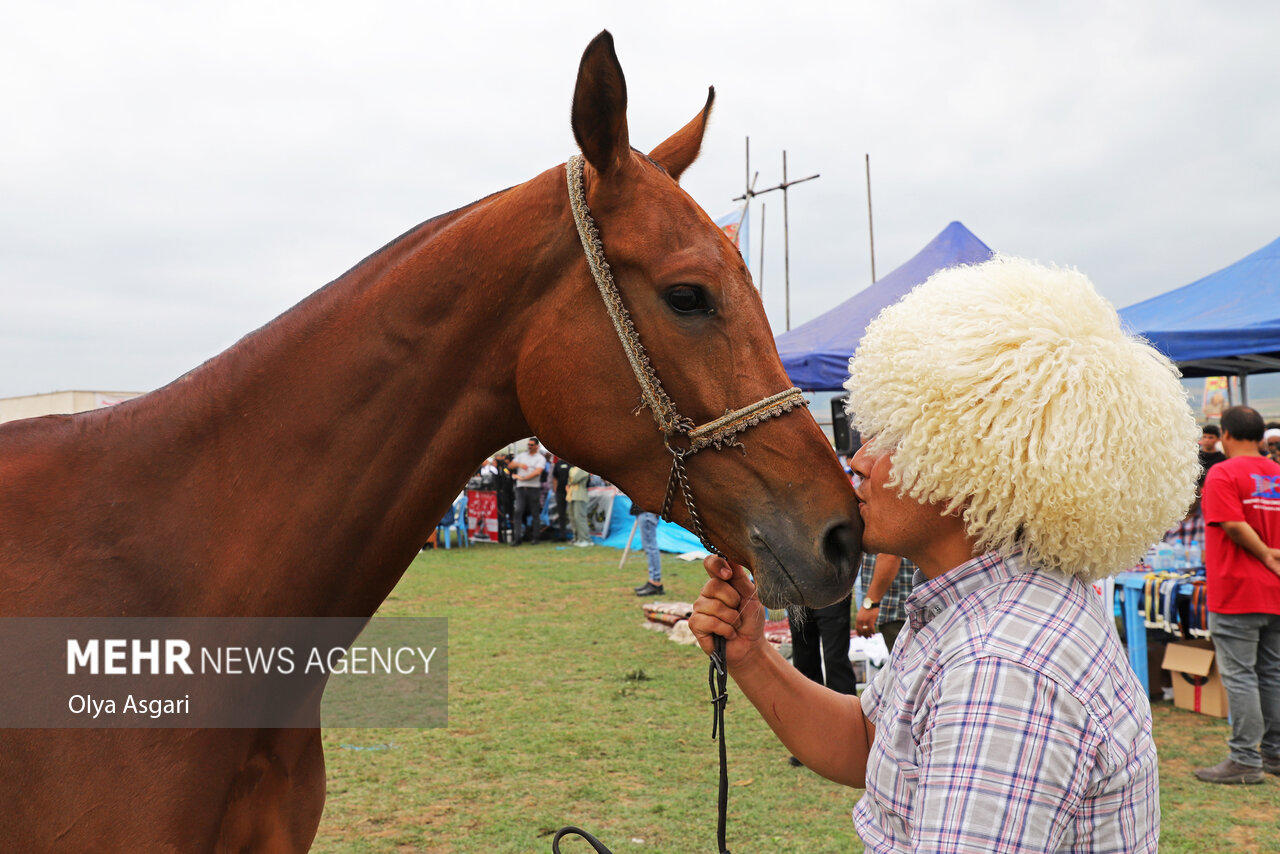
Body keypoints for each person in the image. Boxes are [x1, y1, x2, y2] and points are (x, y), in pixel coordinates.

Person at [689, 256, 1199, 851]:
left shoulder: (1001, 668)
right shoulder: (986, 606)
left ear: (973, 463)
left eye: (893, 436)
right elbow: (868, 744)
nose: (859, 459)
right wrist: (752, 656)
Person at [1194, 405, 1280, 784]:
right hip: (1275, 588)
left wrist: (1262, 553)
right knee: (1272, 673)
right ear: (1261, 436)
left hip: (1237, 588)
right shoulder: (1277, 473)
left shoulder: (1222, 473)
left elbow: (1231, 524)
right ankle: (1275, 754)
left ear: (1225, 434)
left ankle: (1245, 758)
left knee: (1241, 676)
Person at [854, 552, 917, 653]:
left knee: (905, 665)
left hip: (896, 607)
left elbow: (889, 555)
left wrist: (870, 604)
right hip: (900, 606)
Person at [509, 438, 546, 546]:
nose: (529, 446)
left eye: (531, 445)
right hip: (521, 488)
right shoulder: (522, 456)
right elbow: (510, 465)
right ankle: (517, 538)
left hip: (533, 488)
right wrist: (519, 465)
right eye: (528, 444)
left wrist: (522, 478)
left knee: (535, 513)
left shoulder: (540, 458)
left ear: (536, 446)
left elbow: (537, 472)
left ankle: (535, 537)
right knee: (518, 511)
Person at [632, 507, 665, 596]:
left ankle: (655, 582)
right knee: (650, 548)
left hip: (647, 513)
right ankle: (653, 580)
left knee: (651, 548)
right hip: (645, 512)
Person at [567, 464, 592, 547]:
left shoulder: (583, 468)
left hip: (580, 496)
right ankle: (578, 538)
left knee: (580, 518)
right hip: (571, 495)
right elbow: (569, 481)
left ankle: (586, 539)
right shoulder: (572, 469)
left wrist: (570, 480)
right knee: (573, 518)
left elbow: (574, 479)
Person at [552, 456, 572, 542]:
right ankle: (562, 535)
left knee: (572, 514)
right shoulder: (558, 464)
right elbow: (555, 477)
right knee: (561, 514)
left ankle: (575, 535)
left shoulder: (572, 463)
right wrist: (555, 489)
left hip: (571, 492)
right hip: (560, 492)